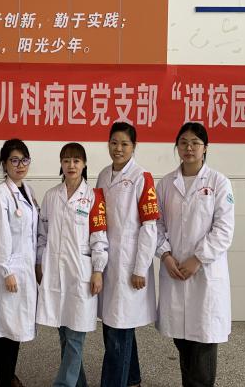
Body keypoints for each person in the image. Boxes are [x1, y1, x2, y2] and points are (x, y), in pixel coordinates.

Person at [155, 122, 235, 387]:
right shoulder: (166, 184)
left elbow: (224, 229)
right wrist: (166, 255)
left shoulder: (219, 182)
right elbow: (156, 225)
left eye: (195, 143)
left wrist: (197, 259)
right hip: (174, 269)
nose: (189, 148)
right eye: (183, 142)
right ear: (177, 146)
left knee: (203, 342)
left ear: (205, 148)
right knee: (183, 340)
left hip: (205, 274)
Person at [36, 143, 109, 387]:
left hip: (81, 274)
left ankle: (63, 384)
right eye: (66, 160)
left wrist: (98, 270)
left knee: (76, 336)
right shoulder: (51, 196)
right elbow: (42, 234)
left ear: (84, 164)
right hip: (55, 273)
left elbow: (99, 237)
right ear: (61, 163)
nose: (71, 165)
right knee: (65, 334)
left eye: (76, 160)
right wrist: (39, 262)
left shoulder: (94, 197)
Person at [96, 122, 160, 387]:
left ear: (134, 146)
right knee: (115, 326)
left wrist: (140, 268)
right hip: (107, 262)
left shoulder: (141, 176)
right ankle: (132, 379)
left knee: (118, 331)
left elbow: (150, 226)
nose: (118, 148)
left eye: (124, 144)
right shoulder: (103, 175)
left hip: (130, 264)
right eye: (114, 142)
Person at [0, 139, 39, 387]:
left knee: (16, 326)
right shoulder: (0, 195)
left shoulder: (27, 190)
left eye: (24, 160)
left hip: (25, 268)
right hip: (10, 270)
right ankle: (3, 379)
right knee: (7, 329)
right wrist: (6, 271)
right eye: (14, 160)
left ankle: (9, 375)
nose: (20, 165)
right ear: (4, 164)